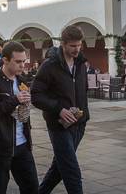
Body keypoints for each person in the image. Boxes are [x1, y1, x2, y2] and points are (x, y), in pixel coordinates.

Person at [31, 25, 89, 194]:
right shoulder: (50, 65)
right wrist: (59, 109)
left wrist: (83, 114)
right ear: (63, 44)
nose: (77, 49)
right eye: (72, 46)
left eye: (79, 45)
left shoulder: (81, 64)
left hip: (79, 125)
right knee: (71, 169)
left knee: (59, 167)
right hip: (59, 125)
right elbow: (36, 95)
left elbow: (83, 92)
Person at [0, 41, 38, 194]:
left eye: (24, 61)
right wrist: (14, 100)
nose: (22, 65)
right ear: (5, 60)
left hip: (22, 144)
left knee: (31, 187)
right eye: (18, 62)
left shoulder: (22, 81)